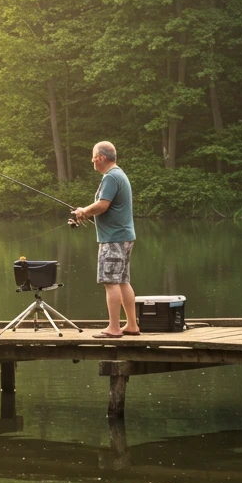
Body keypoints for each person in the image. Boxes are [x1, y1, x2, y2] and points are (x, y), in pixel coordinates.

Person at [73, 142, 139, 339]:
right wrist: (86, 213)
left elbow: (102, 205)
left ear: (100, 158)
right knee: (123, 281)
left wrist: (83, 211)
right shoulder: (119, 174)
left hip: (113, 240)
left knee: (111, 282)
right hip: (124, 237)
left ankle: (114, 328)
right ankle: (132, 325)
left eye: (93, 156)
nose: (91, 160)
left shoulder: (111, 177)